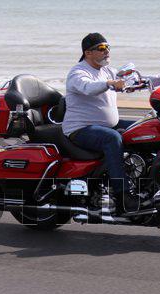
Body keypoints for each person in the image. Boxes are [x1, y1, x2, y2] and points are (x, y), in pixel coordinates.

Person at [61, 33, 139, 213]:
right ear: (88, 52)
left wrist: (156, 80)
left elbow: (124, 81)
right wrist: (110, 83)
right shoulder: (78, 72)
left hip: (106, 125)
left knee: (143, 127)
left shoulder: (107, 70)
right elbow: (88, 88)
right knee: (112, 138)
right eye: (102, 48)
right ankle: (123, 195)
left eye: (108, 47)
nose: (107, 51)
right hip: (80, 129)